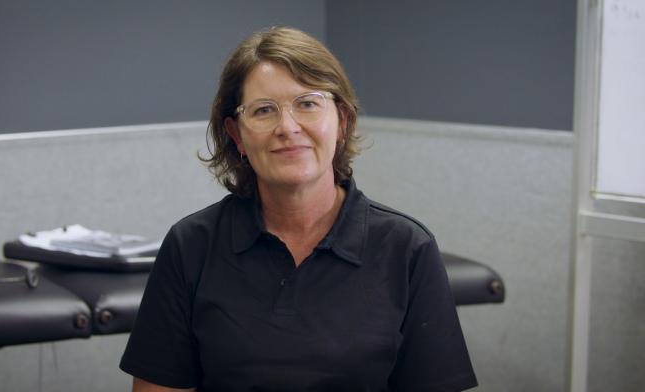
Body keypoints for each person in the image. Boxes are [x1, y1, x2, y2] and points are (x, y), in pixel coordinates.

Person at [120, 26, 477, 392]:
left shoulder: (407, 248)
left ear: (342, 121)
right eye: (263, 110)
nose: (287, 128)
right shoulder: (190, 246)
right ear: (236, 135)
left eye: (307, 103)